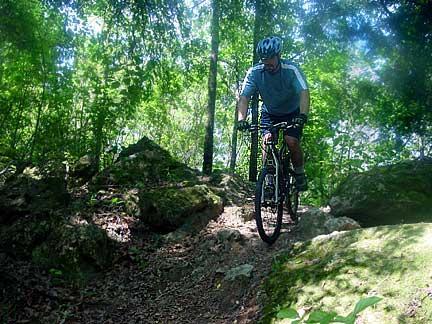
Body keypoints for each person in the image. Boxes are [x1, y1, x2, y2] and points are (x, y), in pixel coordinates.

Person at [237, 36, 310, 191]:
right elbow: (244, 97)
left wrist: (302, 115)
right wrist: (241, 119)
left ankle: (299, 173)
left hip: (292, 112)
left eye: (270, 58)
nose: (267, 62)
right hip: (270, 112)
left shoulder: (291, 69)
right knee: (267, 141)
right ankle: (269, 182)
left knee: (291, 141)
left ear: (279, 55)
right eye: (264, 59)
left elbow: (304, 92)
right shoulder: (255, 72)